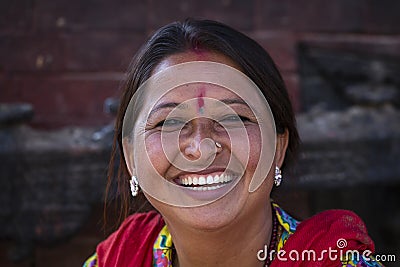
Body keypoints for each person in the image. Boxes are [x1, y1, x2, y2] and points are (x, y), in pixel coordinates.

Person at [83, 19, 383, 267]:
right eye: (169, 122)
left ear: (278, 149)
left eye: (234, 119)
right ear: (131, 156)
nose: (200, 148)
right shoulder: (116, 260)